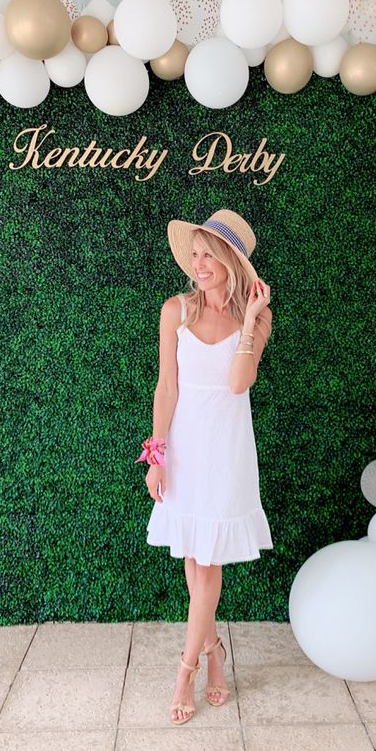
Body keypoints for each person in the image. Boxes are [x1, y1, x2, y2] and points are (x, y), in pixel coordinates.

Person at [136, 208, 273, 724]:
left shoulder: (256, 317)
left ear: (231, 260)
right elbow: (166, 388)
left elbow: (239, 383)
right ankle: (217, 656)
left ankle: (185, 670)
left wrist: (249, 318)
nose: (198, 264)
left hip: (228, 451)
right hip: (186, 448)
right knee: (194, 562)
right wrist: (157, 456)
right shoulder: (176, 309)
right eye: (193, 255)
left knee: (207, 564)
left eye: (208, 255)